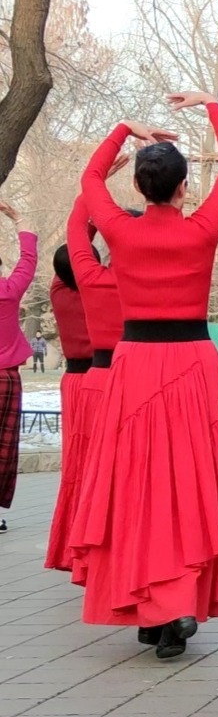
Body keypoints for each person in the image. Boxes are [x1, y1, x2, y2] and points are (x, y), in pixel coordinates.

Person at [71, 90, 218, 660]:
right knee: (188, 481)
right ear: (183, 186)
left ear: (139, 187)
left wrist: (124, 128)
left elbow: (90, 180)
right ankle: (177, 600)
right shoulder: (200, 231)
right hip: (192, 362)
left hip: (137, 364)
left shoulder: (119, 231)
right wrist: (211, 106)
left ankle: (150, 604)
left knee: (139, 485)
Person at [58, 189, 133, 579]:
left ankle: (88, 552)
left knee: (92, 475)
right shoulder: (137, 282)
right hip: (129, 380)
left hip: (94, 382)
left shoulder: (85, 279)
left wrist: (92, 193)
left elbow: (76, 234)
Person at [44, 227, 93, 568]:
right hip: (100, 378)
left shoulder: (59, 292)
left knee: (75, 460)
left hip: (72, 381)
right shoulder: (100, 292)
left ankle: (71, 533)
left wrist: (85, 229)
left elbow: (68, 268)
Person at [0, 204, 37, 534]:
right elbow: (28, 261)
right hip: (7, 378)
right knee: (3, 447)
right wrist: (19, 219)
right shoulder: (8, 292)